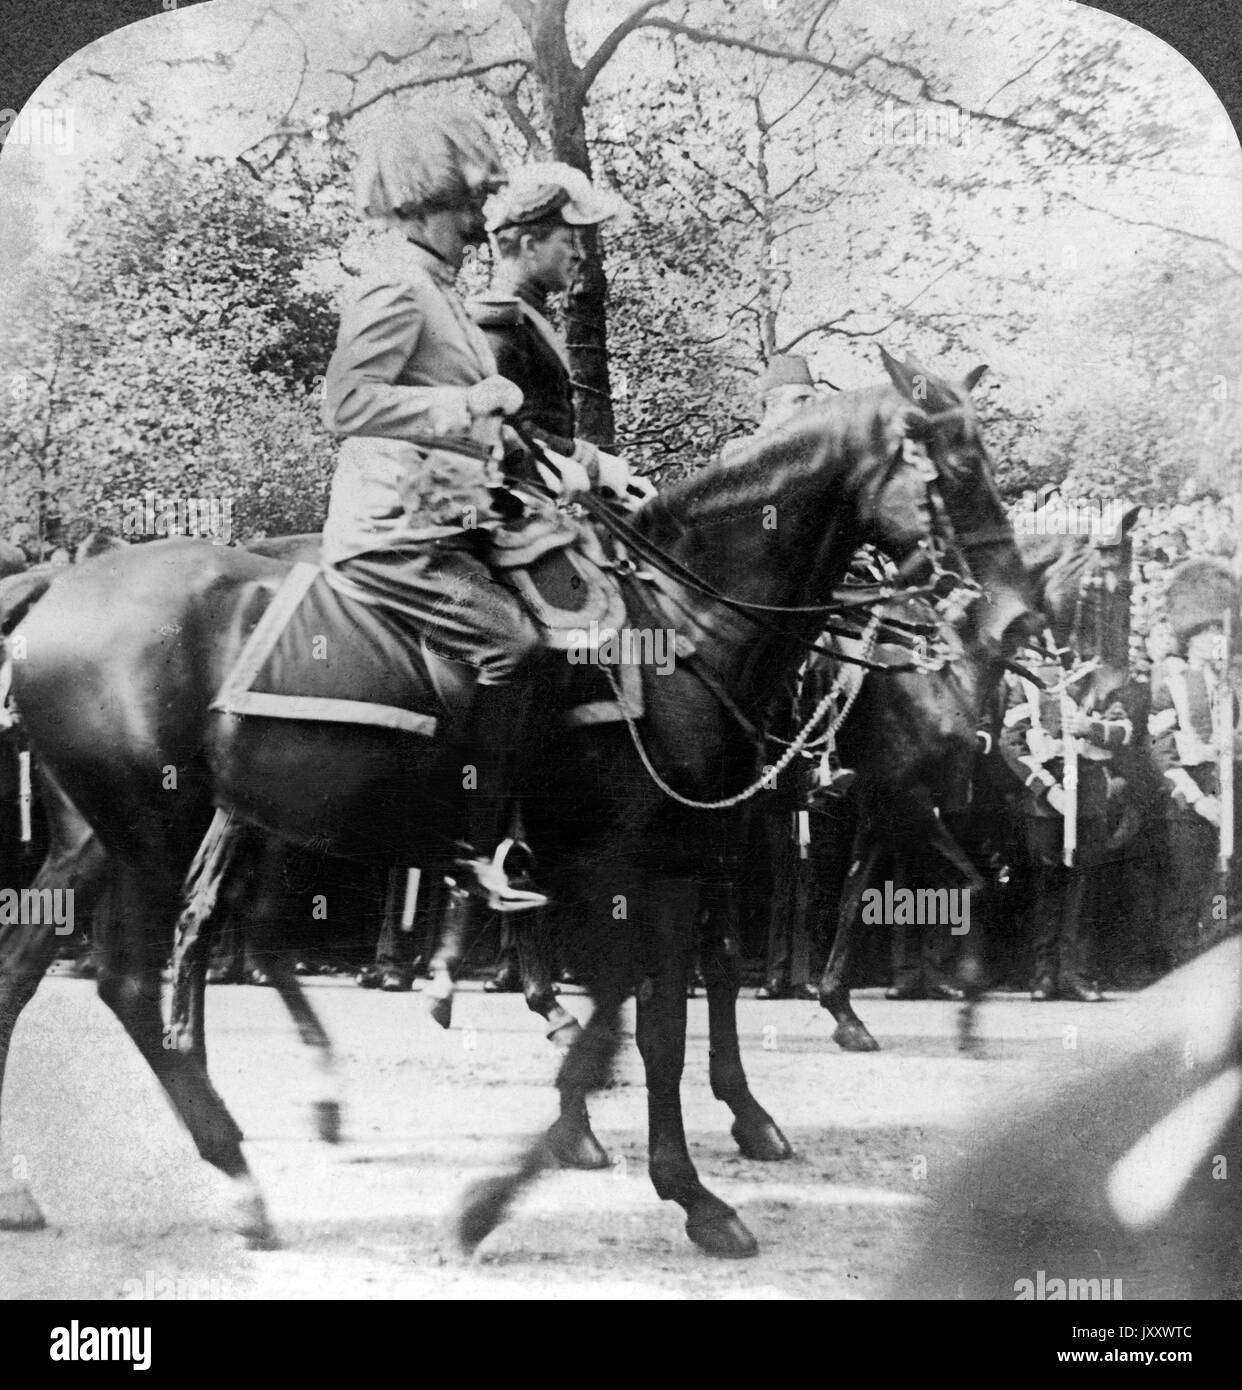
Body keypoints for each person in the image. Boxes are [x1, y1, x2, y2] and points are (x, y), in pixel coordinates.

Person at [321, 107, 579, 913]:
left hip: (447, 517)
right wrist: (466, 405)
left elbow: (469, 420)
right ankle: (474, 848)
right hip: (396, 534)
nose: (481, 217)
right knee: (516, 646)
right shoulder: (398, 284)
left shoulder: (440, 289)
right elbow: (346, 402)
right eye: (471, 201)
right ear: (433, 200)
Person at [468, 161, 655, 509]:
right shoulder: (501, 323)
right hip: (514, 507)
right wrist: (591, 461)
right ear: (529, 245)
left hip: (547, 492)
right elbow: (508, 429)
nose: (578, 254)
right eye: (568, 240)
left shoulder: (526, 318)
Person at [999, 651, 1133, 1001]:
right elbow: (1011, 742)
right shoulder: (1031, 679)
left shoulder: (1099, 678)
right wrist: (1049, 790)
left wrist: (1091, 728)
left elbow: (1125, 730)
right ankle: (1044, 975)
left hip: (1089, 797)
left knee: (1084, 889)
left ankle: (1077, 974)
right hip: (1046, 801)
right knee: (1047, 888)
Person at [1149, 558, 1239, 963]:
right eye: (1206, 635)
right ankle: (1182, 962)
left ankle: (1218, 956)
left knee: (1224, 886)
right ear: (1190, 640)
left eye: (1220, 634)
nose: (1214, 642)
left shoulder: (1235, 688)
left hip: (1231, 793)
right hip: (1190, 799)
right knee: (1189, 885)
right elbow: (1162, 749)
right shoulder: (1172, 686)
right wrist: (1200, 800)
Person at [719, 355, 820, 466]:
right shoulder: (740, 449)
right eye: (799, 401)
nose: (807, 409)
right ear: (772, 404)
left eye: (812, 402)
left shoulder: (812, 451)